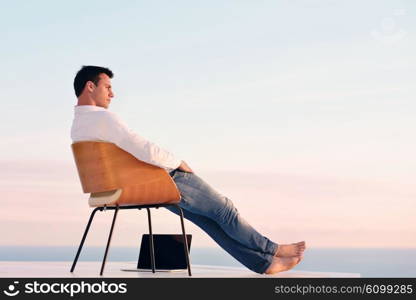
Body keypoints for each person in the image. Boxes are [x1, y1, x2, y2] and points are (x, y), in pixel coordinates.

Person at [70, 65, 306, 274]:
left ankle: (263, 264)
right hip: (160, 181)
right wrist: (178, 162)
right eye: (108, 87)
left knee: (209, 221)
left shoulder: (78, 126)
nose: (113, 94)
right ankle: (272, 249)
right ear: (90, 86)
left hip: (131, 186)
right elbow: (145, 149)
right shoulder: (104, 119)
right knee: (225, 210)